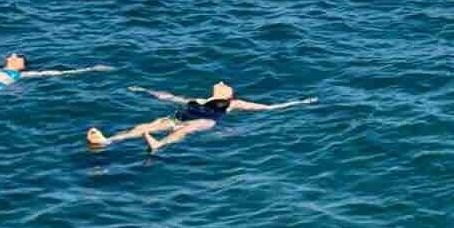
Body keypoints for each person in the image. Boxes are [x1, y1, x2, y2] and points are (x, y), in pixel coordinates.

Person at [85, 81, 317, 154]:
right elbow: (169, 97)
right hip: (181, 115)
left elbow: (268, 108)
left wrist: (299, 103)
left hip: (206, 121)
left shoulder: (234, 103)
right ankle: (109, 141)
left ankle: (159, 145)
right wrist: (144, 91)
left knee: (183, 131)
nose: (221, 82)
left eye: (226, 84)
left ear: (229, 93)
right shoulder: (198, 98)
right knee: (148, 125)